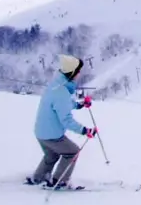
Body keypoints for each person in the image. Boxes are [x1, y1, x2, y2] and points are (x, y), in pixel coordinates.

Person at [26, 55, 97, 189]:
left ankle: (39, 178)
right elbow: (66, 120)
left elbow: (62, 104)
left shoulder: (57, 84)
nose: (80, 73)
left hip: (41, 132)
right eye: (78, 71)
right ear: (72, 73)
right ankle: (59, 181)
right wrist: (85, 131)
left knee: (51, 155)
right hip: (52, 135)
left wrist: (79, 105)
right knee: (72, 152)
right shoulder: (61, 91)